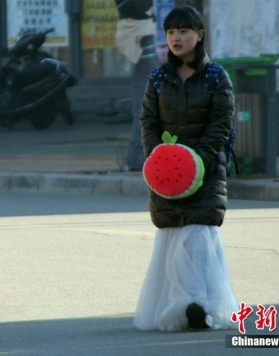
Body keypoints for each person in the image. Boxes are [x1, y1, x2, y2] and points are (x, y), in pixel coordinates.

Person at [133, 6, 238, 331]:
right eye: (171, 32)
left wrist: (197, 162)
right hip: (167, 174)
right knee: (174, 239)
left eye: (184, 31)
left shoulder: (216, 77)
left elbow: (222, 123)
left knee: (197, 238)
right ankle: (189, 305)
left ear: (199, 34)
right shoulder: (157, 78)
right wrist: (160, 158)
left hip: (205, 173)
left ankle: (194, 305)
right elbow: (148, 121)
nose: (177, 38)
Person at [114, 0, 159, 172]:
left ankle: (137, 159)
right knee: (144, 105)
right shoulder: (133, 12)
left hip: (143, 41)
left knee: (145, 105)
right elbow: (134, 7)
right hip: (142, 44)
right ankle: (138, 159)